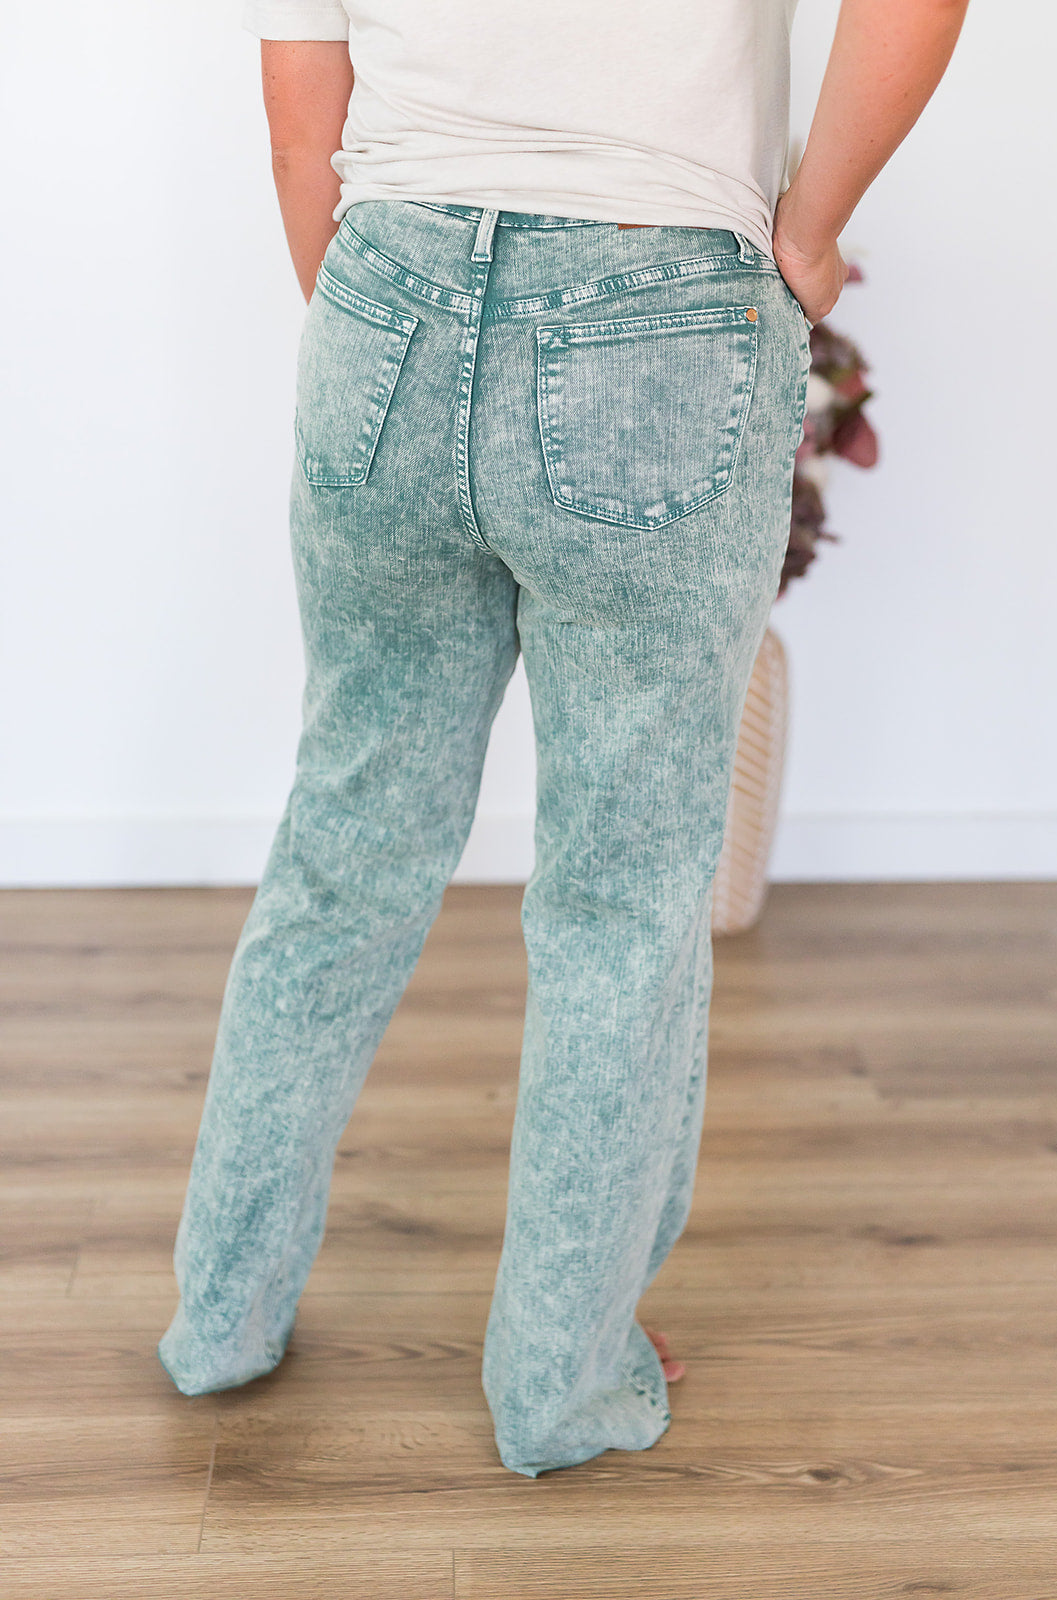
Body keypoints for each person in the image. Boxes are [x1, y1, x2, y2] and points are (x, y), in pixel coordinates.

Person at [158, 0, 971, 1477]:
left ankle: (220, 1319)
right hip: (658, 297)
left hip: (384, 291)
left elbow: (299, 116)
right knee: (622, 900)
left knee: (343, 851)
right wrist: (809, 230)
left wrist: (386, 339)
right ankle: (560, 1387)